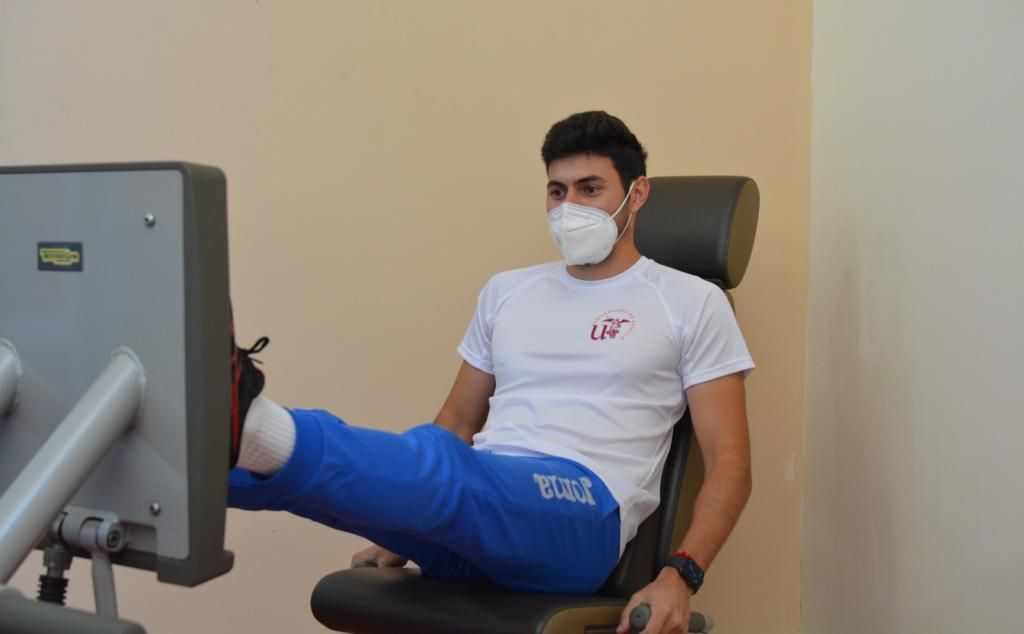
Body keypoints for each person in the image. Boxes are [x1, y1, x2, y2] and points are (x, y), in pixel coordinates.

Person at [228, 111, 754, 634]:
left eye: (590, 189)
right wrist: (400, 509)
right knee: (309, 488)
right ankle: (205, 454)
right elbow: (456, 421)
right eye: (557, 191)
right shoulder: (508, 291)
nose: (569, 207)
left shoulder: (689, 301)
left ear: (636, 194)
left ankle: (253, 423)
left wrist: (681, 575)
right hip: (479, 506)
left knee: (453, 469)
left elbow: (730, 463)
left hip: (582, 515)